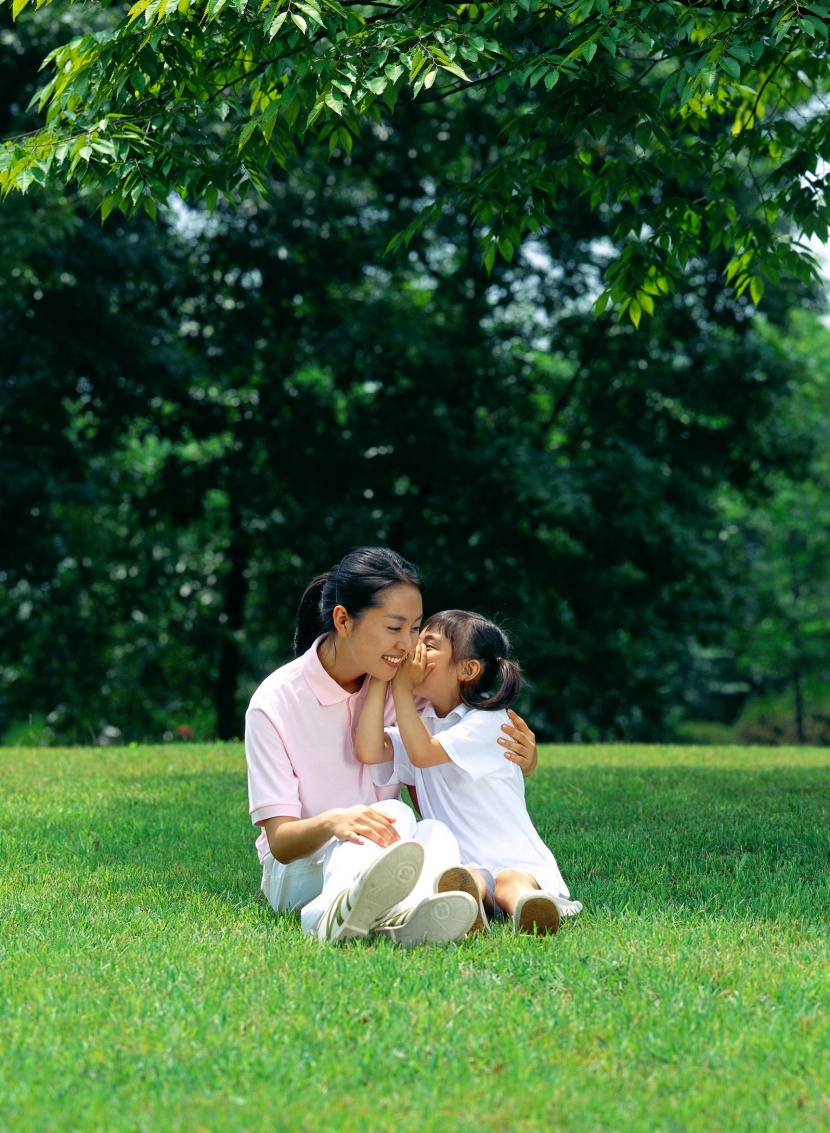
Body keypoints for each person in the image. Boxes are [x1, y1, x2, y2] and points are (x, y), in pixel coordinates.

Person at [245, 548, 540, 945]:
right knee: (394, 813)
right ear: (343, 620)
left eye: (416, 628)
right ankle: (326, 917)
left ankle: (400, 919)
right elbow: (281, 844)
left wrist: (522, 757)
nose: (408, 644)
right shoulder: (275, 702)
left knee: (434, 831)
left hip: (387, 850)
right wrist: (336, 822)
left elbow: (455, 748)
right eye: (394, 628)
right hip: (303, 867)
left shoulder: (407, 688)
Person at [354, 609, 583, 936]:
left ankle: (527, 905)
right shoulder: (423, 725)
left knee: (510, 880)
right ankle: (470, 905)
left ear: (468, 669)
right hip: (461, 861)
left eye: (428, 645)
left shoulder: (490, 721)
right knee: (465, 879)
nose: (414, 652)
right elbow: (368, 750)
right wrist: (381, 676)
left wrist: (402, 689)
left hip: (512, 855)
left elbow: (422, 754)